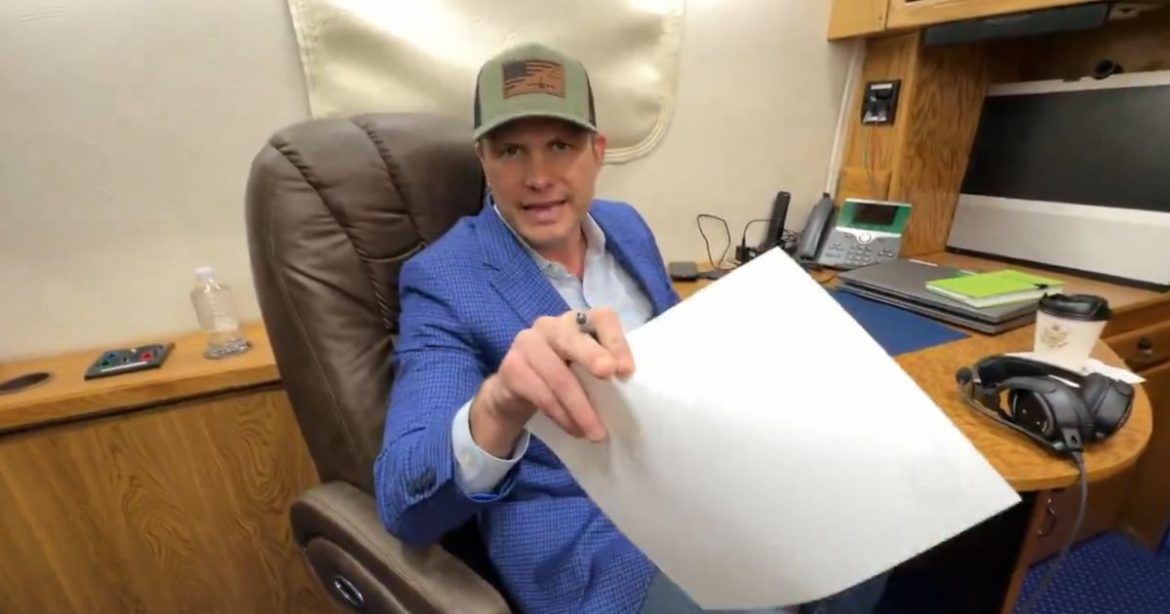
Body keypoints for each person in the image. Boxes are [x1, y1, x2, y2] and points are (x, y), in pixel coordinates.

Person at [374, 41, 888, 614]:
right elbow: (402, 500)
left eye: (561, 146)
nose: (538, 177)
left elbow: (672, 360)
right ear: (483, 159)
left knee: (869, 526)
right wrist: (499, 404)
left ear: (597, 151)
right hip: (593, 544)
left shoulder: (625, 226)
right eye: (512, 150)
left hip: (702, 480)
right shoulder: (444, 279)